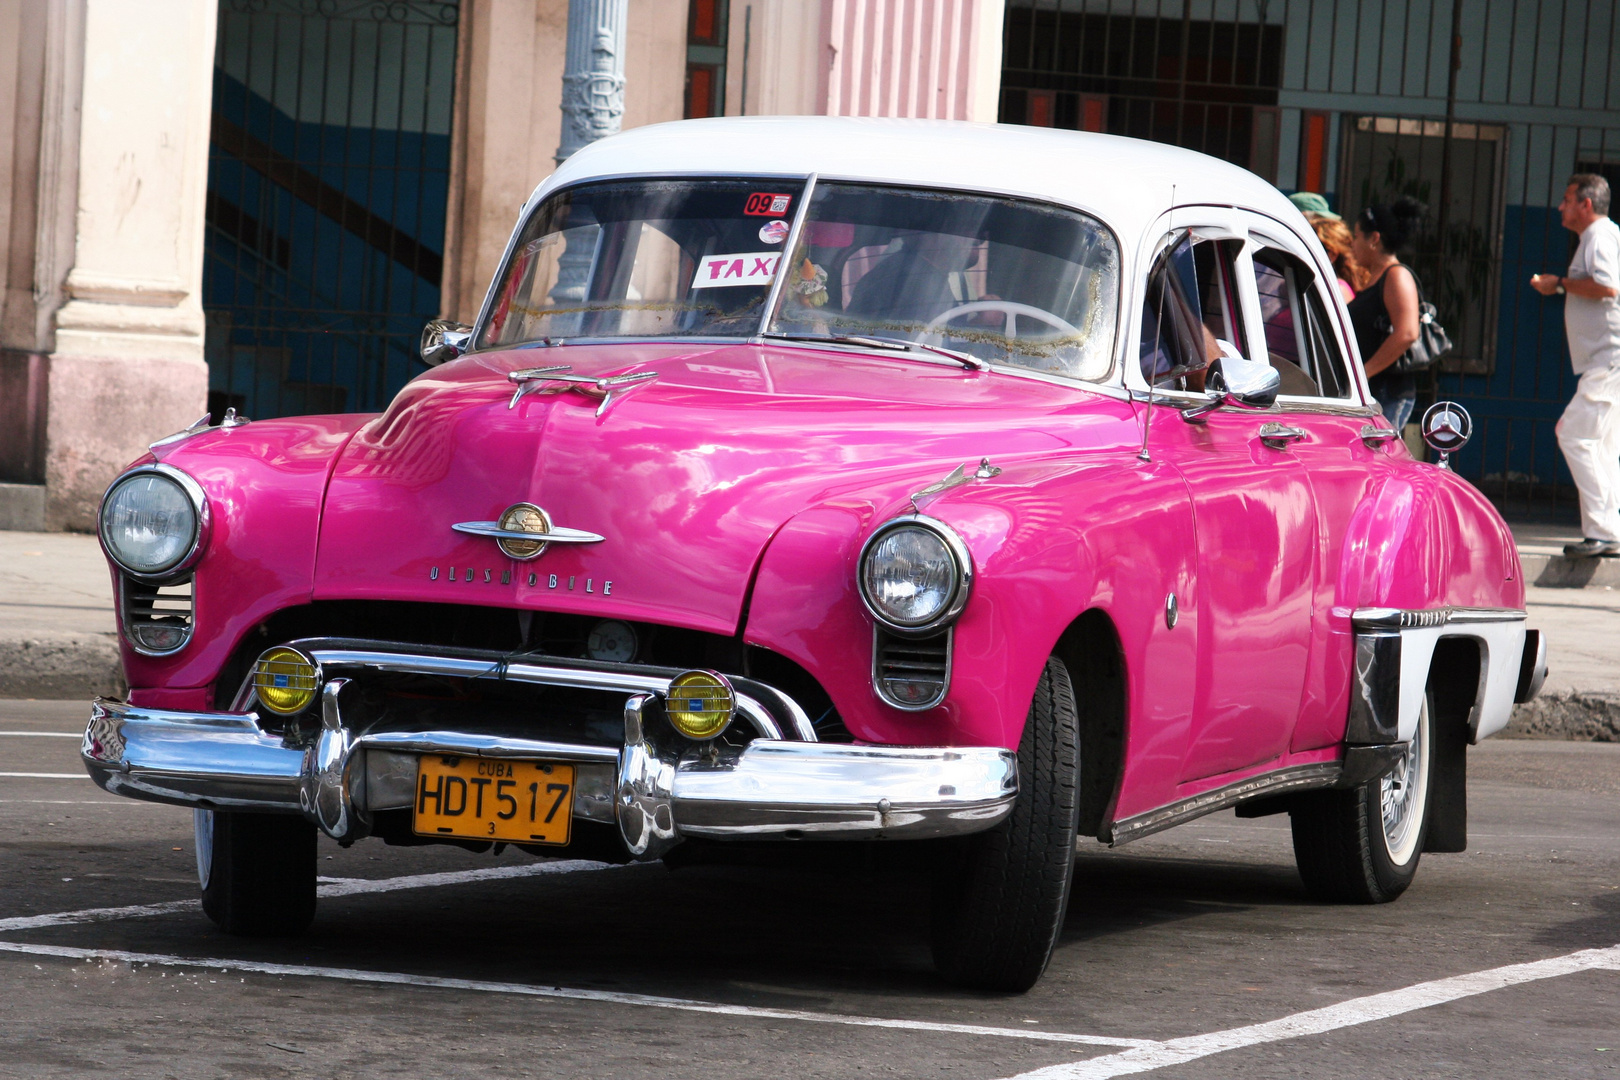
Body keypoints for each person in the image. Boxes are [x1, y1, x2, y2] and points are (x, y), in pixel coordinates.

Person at [1531, 173, 1620, 558]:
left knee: (1574, 434)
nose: (1560, 207)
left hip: (1608, 358)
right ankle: (1607, 531)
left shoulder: (1599, 236)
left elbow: (1607, 286)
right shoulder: (1599, 236)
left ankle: (1603, 532)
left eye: (1567, 199)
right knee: (1600, 445)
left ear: (1586, 203)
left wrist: (1560, 283)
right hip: (1607, 359)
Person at [1346, 197, 1426, 430]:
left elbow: (1407, 333)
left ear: (1374, 239)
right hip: (1371, 392)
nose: (1353, 244)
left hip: (1387, 394)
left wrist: (1364, 373)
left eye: (1357, 235)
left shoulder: (1396, 275)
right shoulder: (1374, 278)